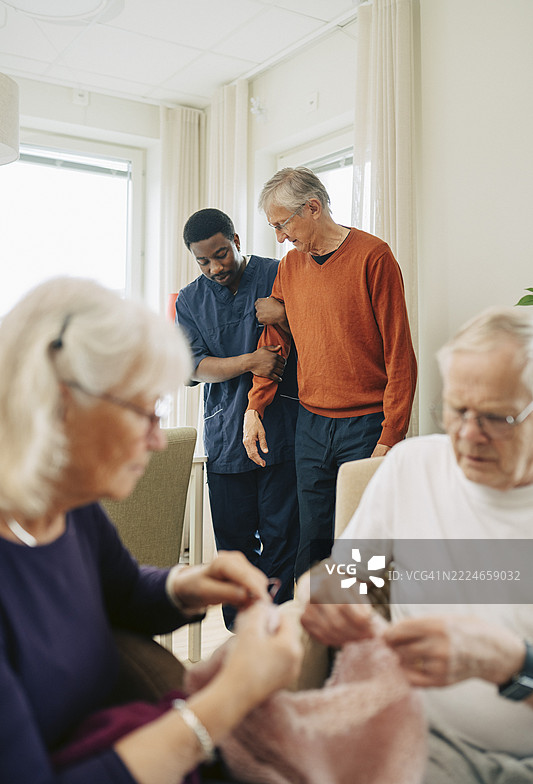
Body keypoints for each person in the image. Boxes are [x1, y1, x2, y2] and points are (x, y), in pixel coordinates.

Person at [0, 276, 302, 784]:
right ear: (62, 402)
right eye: (146, 412)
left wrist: (189, 584)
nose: (160, 440)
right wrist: (231, 697)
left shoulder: (68, 511)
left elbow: (120, 593)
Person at [301, 306, 533, 783]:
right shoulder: (412, 468)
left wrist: (511, 664)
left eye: (495, 416)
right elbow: (348, 577)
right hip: (427, 744)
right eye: (457, 410)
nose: (468, 435)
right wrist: (322, 594)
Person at [243, 167, 417, 577]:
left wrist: (390, 436)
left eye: (282, 225)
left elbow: (399, 354)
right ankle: (317, 634)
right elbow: (274, 343)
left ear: (313, 208)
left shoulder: (374, 256)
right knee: (315, 540)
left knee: (364, 542)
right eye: (275, 228)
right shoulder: (290, 267)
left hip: (367, 424)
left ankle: (363, 638)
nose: (281, 238)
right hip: (312, 425)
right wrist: (254, 408)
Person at [176, 208, 299, 628]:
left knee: (284, 537)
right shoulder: (191, 299)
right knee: (235, 545)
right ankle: (243, 630)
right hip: (226, 434)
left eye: (221, 254)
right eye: (203, 261)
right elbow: (195, 367)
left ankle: (277, 628)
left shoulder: (278, 273)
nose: (214, 267)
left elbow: (307, 329)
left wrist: (283, 316)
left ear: (237, 240)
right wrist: (252, 361)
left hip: (280, 428)